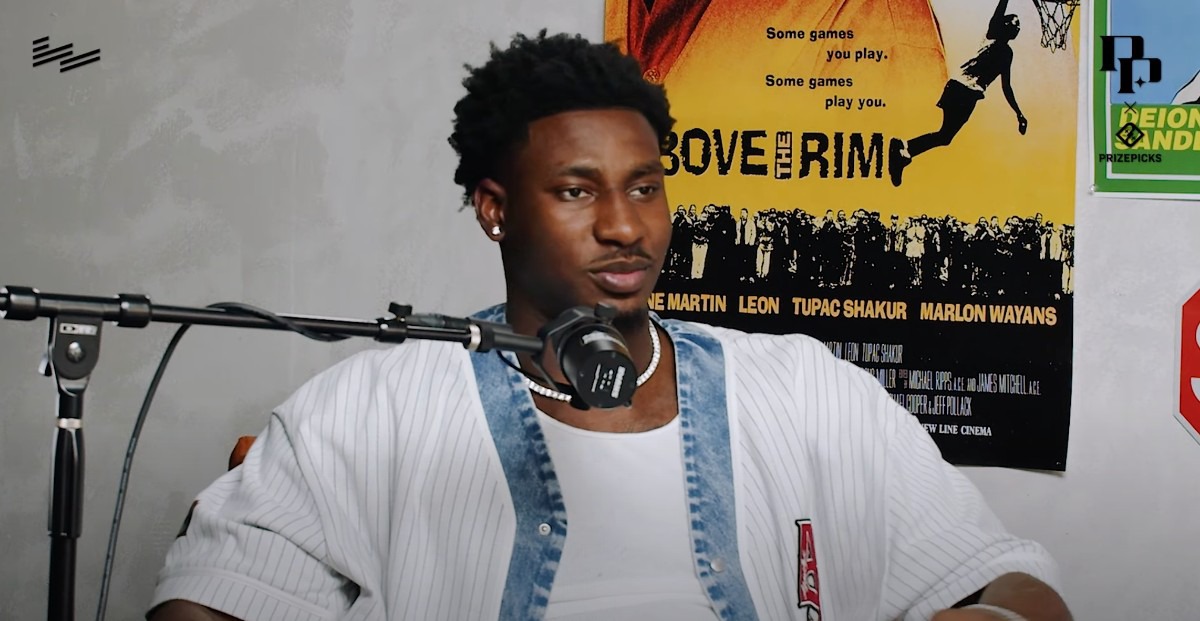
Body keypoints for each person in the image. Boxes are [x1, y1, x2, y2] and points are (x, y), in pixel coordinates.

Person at [147, 31, 1072, 621]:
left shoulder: (805, 388)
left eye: (644, 186)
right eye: (577, 191)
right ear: (494, 209)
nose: (626, 225)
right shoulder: (373, 405)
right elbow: (211, 598)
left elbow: (1015, 584)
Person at [889, 0, 1028, 187]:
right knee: (945, 136)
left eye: (1018, 25)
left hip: (966, 93)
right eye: (1014, 23)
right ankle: (903, 150)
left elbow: (1007, 86)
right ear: (1004, 26)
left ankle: (904, 150)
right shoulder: (993, 35)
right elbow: (1000, 9)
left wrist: (1018, 113)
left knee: (945, 136)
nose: (1017, 27)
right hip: (961, 90)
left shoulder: (1007, 54)